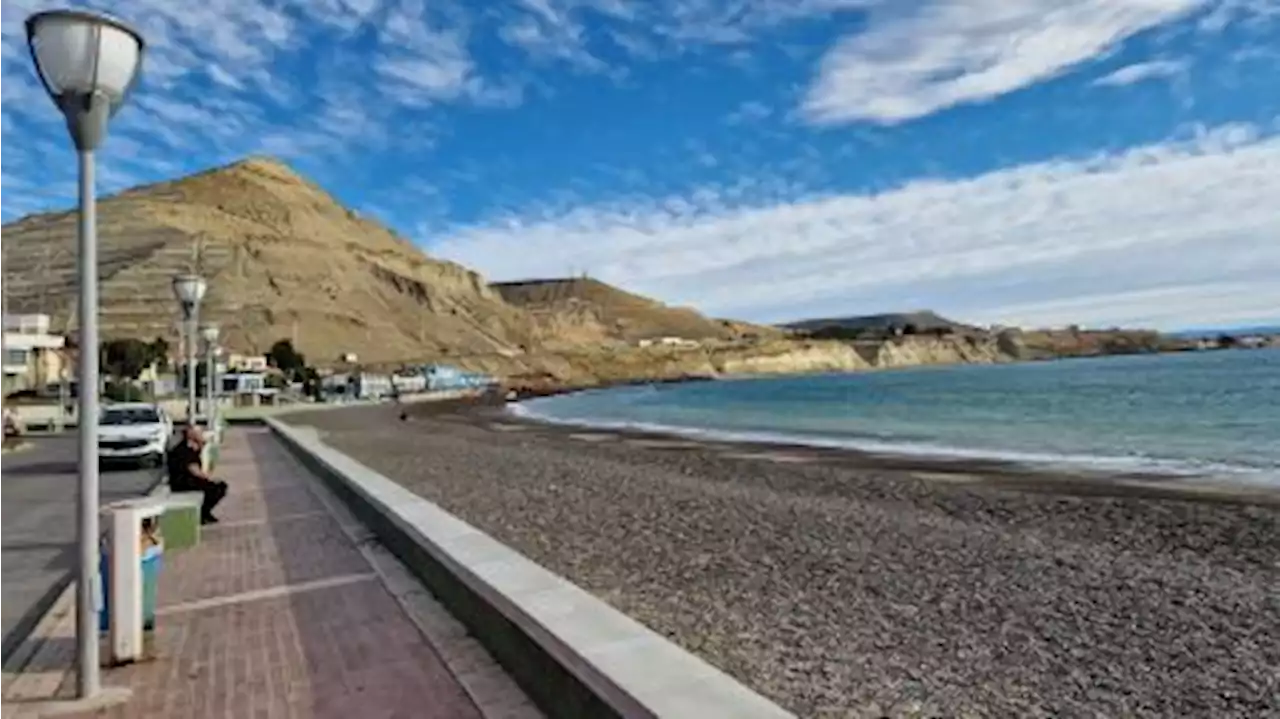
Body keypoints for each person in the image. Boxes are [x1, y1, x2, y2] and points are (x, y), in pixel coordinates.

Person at [167, 424, 227, 525]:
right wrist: (209, 478)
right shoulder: (184, 450)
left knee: (217, 486)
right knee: (216, 488)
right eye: (200, 433)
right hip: (182, 483)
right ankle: (202, 513)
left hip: (190, 480)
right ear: (192, 436)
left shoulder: (193, 448)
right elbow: (194, 470)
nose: (202, 435)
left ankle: (204, 513)